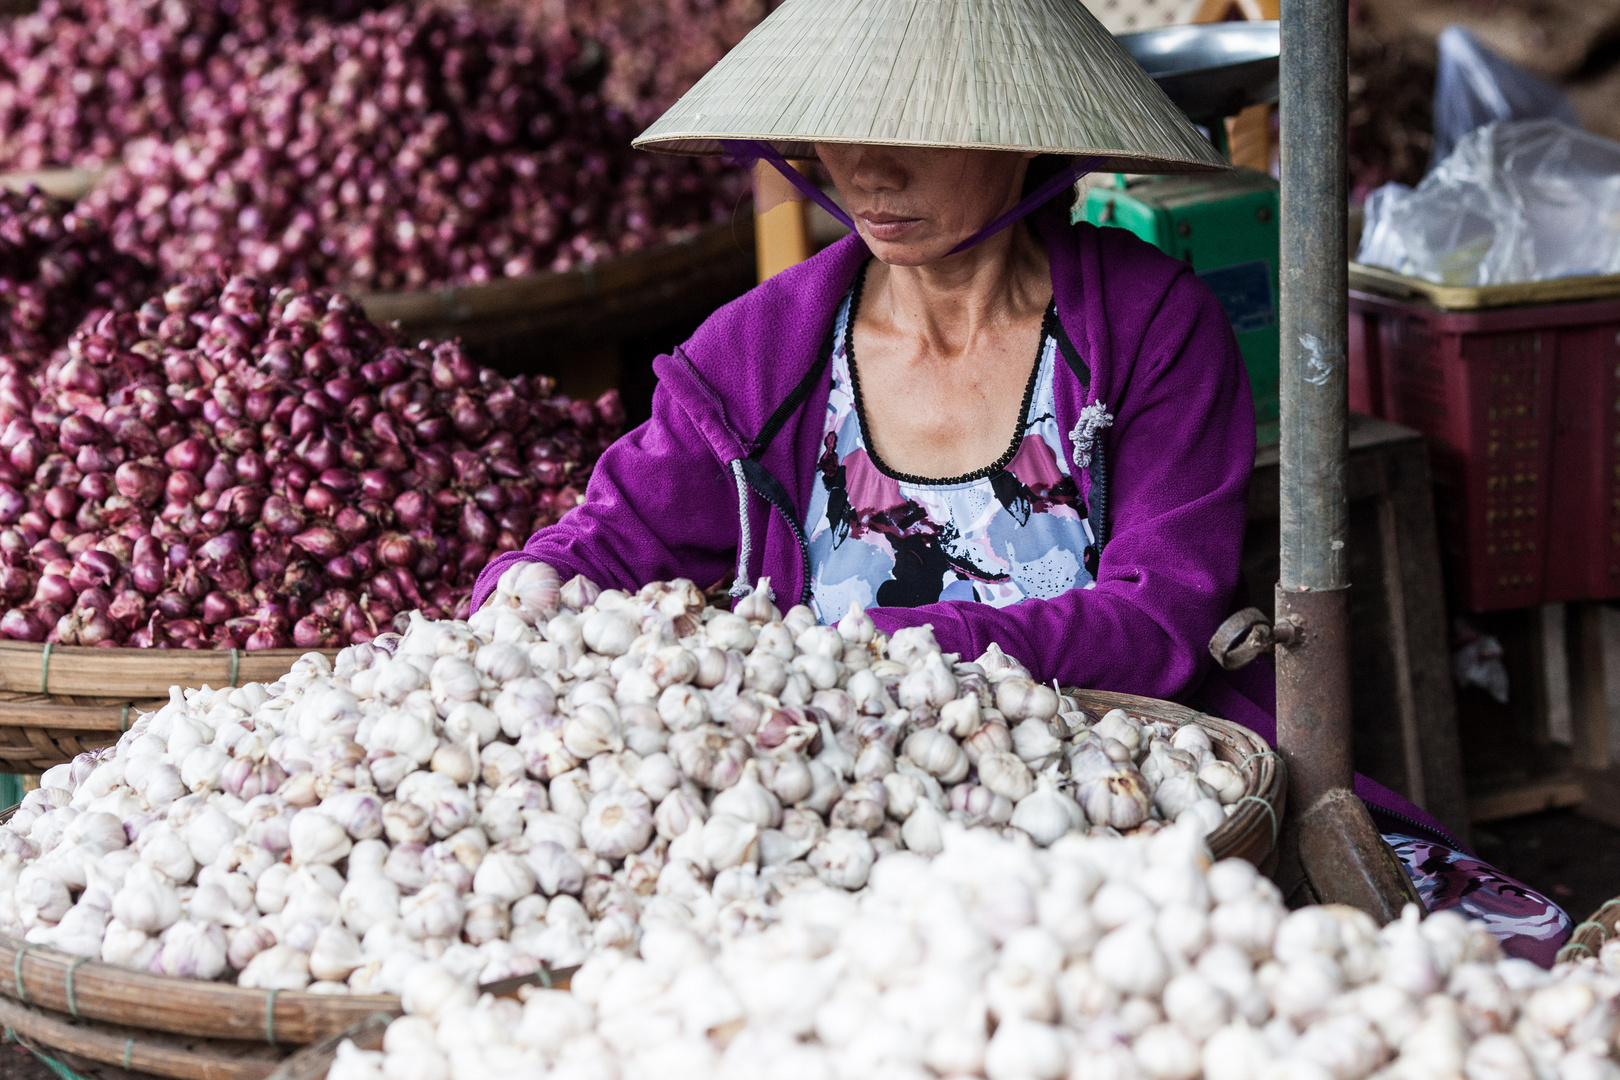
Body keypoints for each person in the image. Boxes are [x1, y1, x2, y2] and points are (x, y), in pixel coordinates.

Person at [473, 0, 1571, 962]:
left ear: (1026, 136)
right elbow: (612, 541)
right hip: (840, 798)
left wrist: (912, 647)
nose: (867, 169)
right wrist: (527, 589)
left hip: (1118, 785)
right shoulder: (758, 351)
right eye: (838, 125)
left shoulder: (1148, 327)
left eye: (916, 126)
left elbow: (1162, 614)